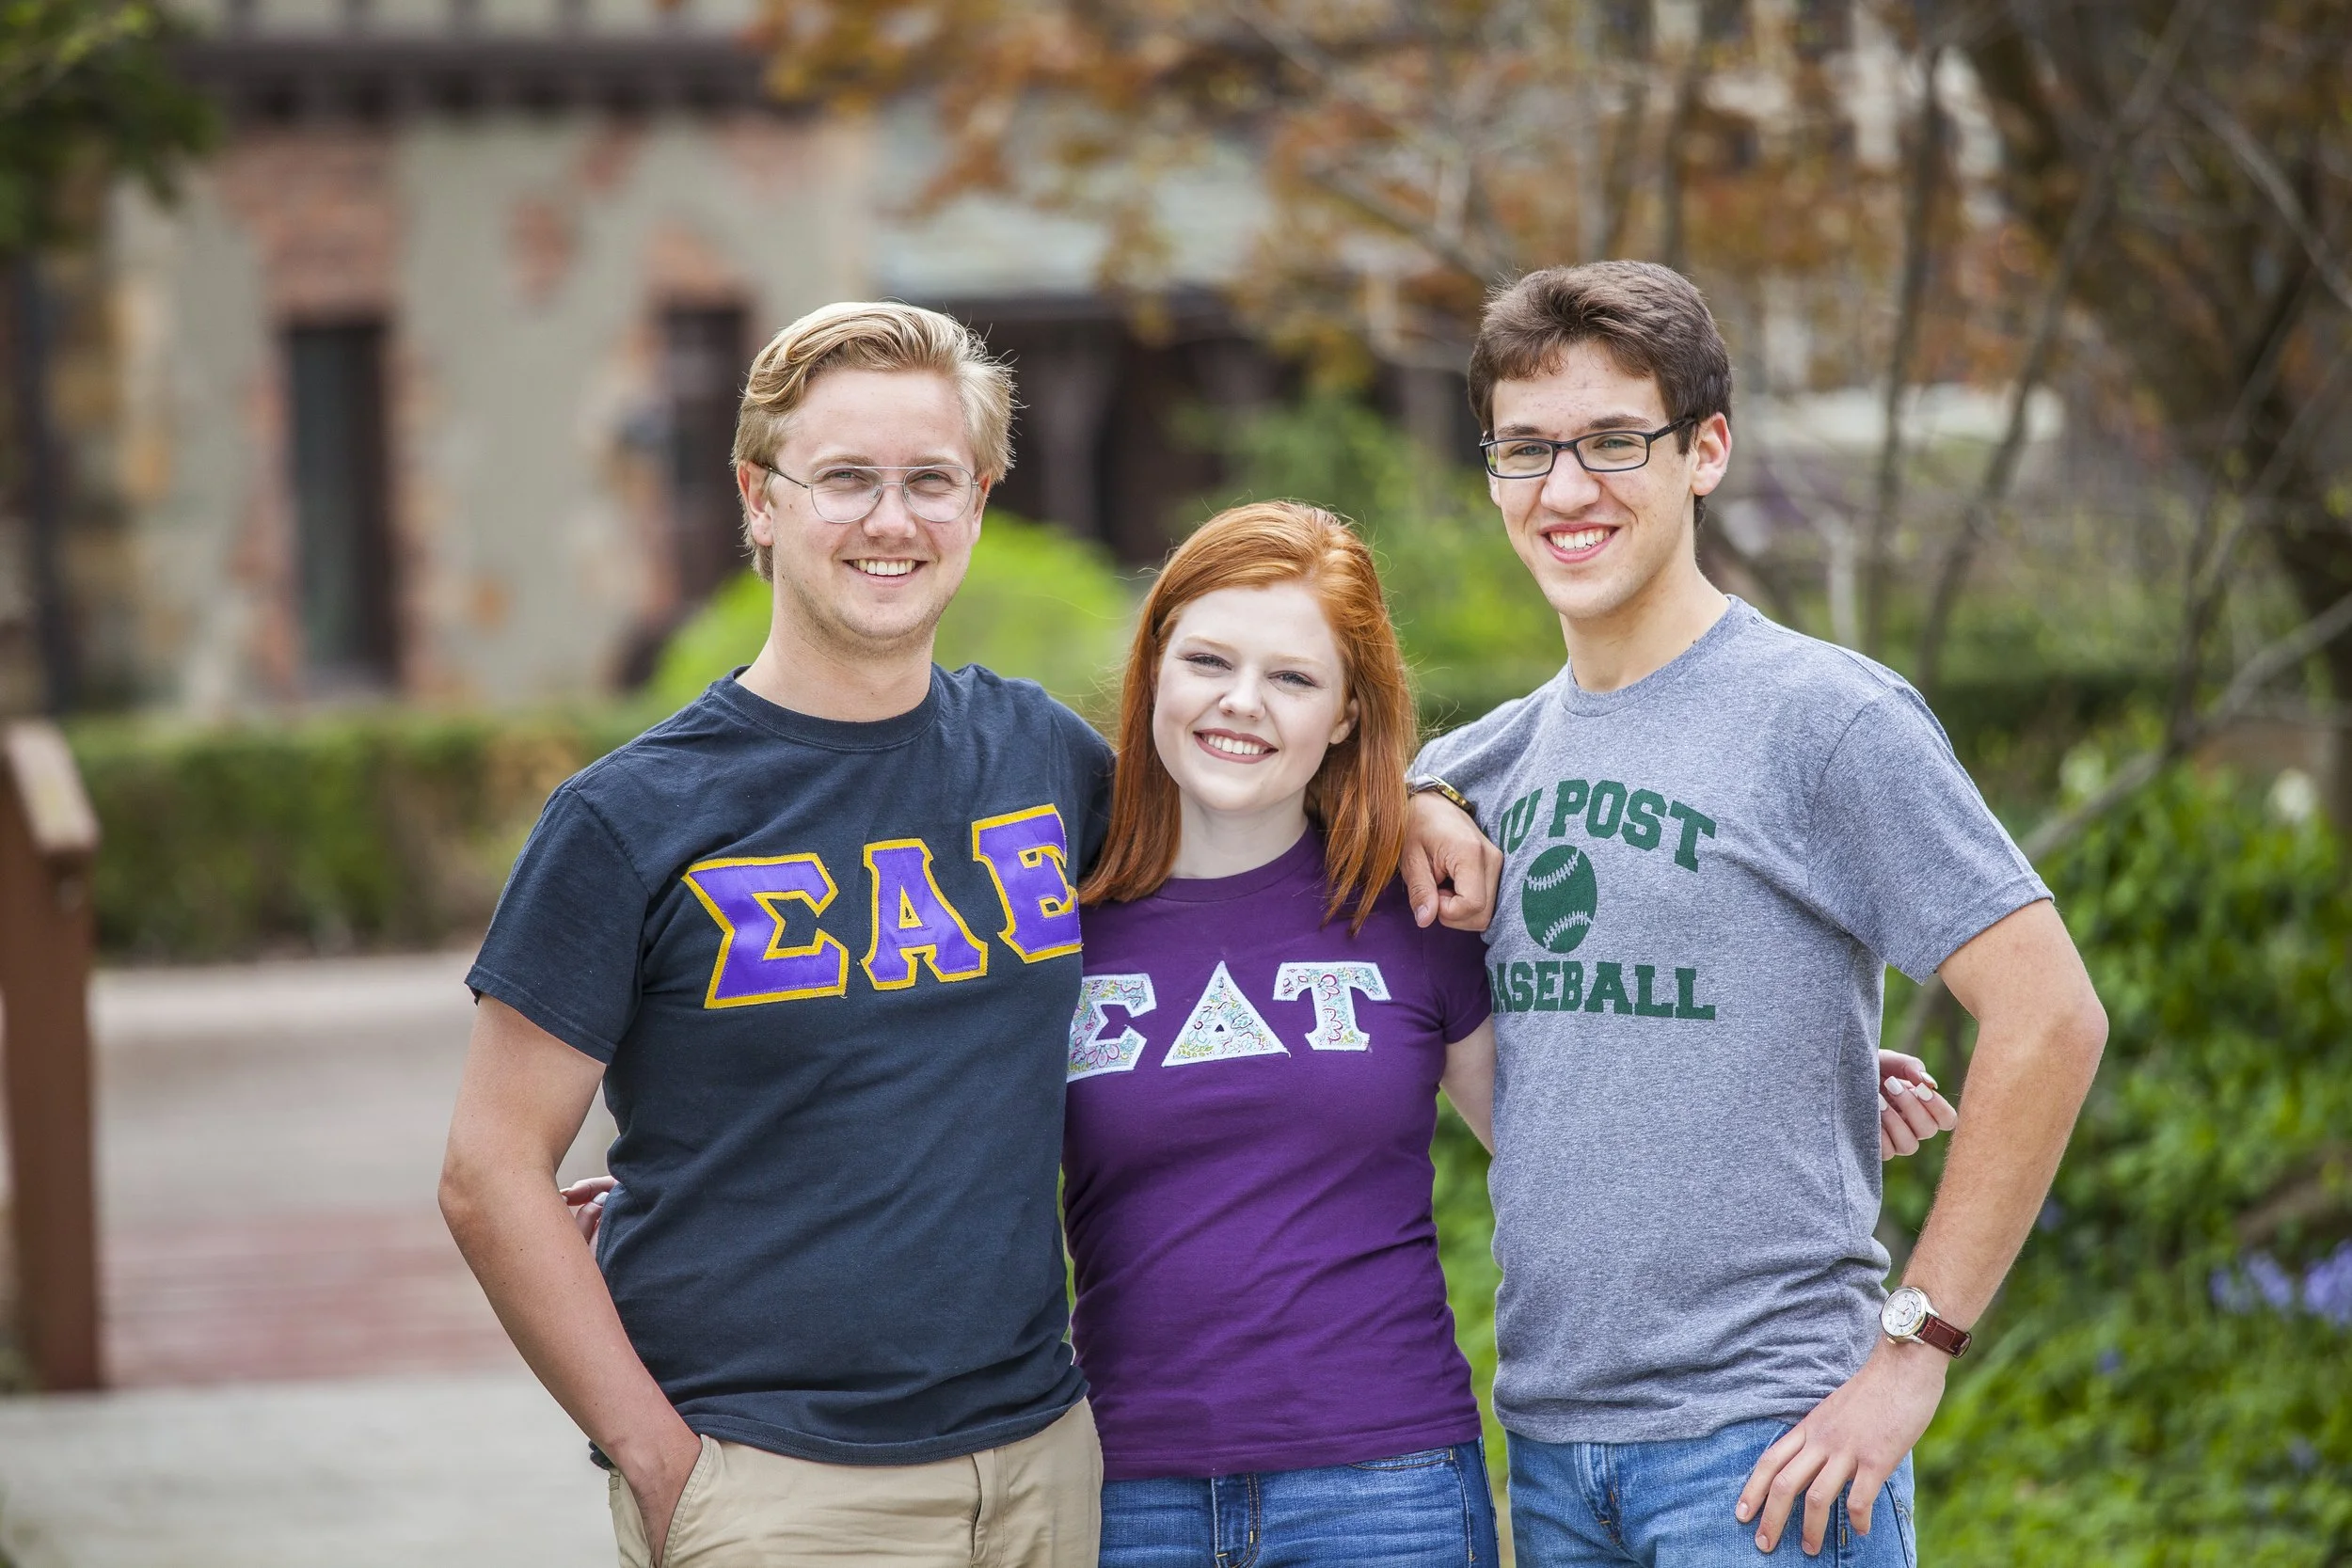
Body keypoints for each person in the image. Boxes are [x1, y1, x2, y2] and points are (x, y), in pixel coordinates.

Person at [438, 301, 1502, 1568]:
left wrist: (1421, 803)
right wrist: (662, 1463)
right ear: (758, 497)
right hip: (781, 1484)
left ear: (982, 498)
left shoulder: (1041, 760)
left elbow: (1233, 781)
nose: (892, 520)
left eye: (930, 479)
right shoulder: (630, 818)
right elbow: (489, 1169)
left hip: (1050, 1469)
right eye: (845, 478)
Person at [1409, 261, 2109, 1565]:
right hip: (1554, 1455)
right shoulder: (1490, 767)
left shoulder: (1823, 720)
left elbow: (2052, 1016)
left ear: (1705, 449)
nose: (1566, 489)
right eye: (1526, 450)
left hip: (1769, 1456)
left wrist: (1916, 1351)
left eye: (1615, 439)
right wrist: (1415, 795)